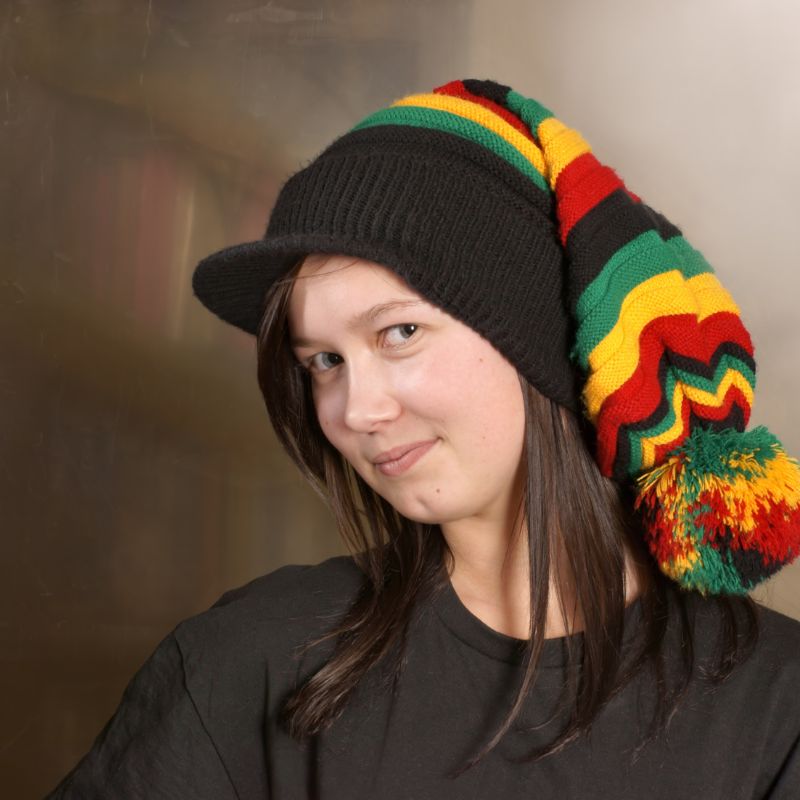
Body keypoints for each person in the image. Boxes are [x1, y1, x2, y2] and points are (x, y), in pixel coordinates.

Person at [47, 78, 800, 799]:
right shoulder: (245, 665)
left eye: (400, 333)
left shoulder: (777, 708)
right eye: (324, 362)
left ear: (538, 338)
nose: (355, 410)